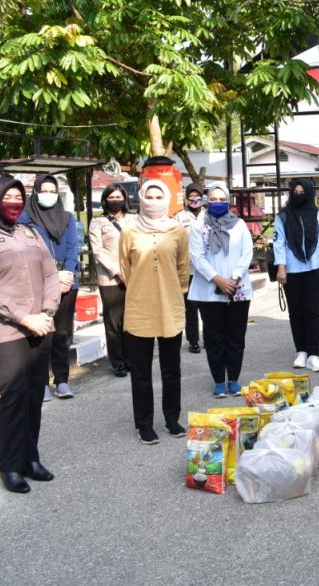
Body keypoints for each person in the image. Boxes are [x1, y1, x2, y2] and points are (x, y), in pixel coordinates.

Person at [0, 176, 60, 493]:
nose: (14, 203)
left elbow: (50, 274)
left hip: (40, 325)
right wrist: (24, 317)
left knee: (34, 395)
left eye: (19, 197)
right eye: (8, 197)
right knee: (13, 396)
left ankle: (31, 458)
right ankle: (10, 467)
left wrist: (46, 313)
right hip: (2, 331)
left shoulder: (31, 233)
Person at [119, 180, 189, 444]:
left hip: (170, 306)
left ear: (167, 198)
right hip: (139, 308)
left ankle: (172, 419)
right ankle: (144, 424)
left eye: (160, 195)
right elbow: (125, 267)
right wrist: (142, 287)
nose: (154, 200)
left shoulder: (178, 231)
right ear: (141, 198)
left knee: (172, 368)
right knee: (141, 371)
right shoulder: (129, 230)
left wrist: (173, 290)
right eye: (149, 195)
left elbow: (183, 267)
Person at [188, 183, 253, 397]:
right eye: (213, 199)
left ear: (228, 201)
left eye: (221, 199)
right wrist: (218, 280)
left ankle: (233, 378)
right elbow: (197, 257)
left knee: (236, 336)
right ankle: (218, 380)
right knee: (214, 337)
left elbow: (247, 253)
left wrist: (233, 278)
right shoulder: (199, 226)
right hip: (208, 290)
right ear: (207, 201)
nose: (217, 203)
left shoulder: (239, 225)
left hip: (238, 289)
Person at [19, 174, 80, 400]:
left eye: (52, 191)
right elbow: (28, 253)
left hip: (67, 284)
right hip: (40, 283)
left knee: (62, 334)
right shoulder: (25, 219)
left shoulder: (67, 217)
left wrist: (68, 275)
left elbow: (74, 248)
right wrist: (55, 276)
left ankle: (62, 380)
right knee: (42, 334)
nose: (48, 195)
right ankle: (41, 382)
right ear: (36, 192)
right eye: (44, 190)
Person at [275, 179, 319, 372]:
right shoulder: (283, 216)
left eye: (302, 192)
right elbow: (279, 243)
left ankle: (313, 354)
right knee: (296, 313)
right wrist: (281, 268)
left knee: (312, 313)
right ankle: (301, 351)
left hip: (313, 269)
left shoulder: (317, 215)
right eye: (295, 192)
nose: (299, 195)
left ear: (308, 193)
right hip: (291, 272)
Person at [88, 183, 137, 378]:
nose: (115, 201)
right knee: (113, 321)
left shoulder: (134, 219)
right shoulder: (97, 222)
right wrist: (118, 272)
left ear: (125, 199)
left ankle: (131, 358)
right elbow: (97, 250)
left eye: (119, 197)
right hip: (110, 278)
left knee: (131, 320)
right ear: (105, 200)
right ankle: (117, 362)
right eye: (111, 197)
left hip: (134, 276)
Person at [175, 182, 204, 354]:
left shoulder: (208, 215)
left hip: (206, 270)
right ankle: (193, 340)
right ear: (186, 198)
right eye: (191, 196)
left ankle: (209, 337)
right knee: (190, 308)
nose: (194, 199)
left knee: (207, 306)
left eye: (197, 195)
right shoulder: (179, 217)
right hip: (188, 269)